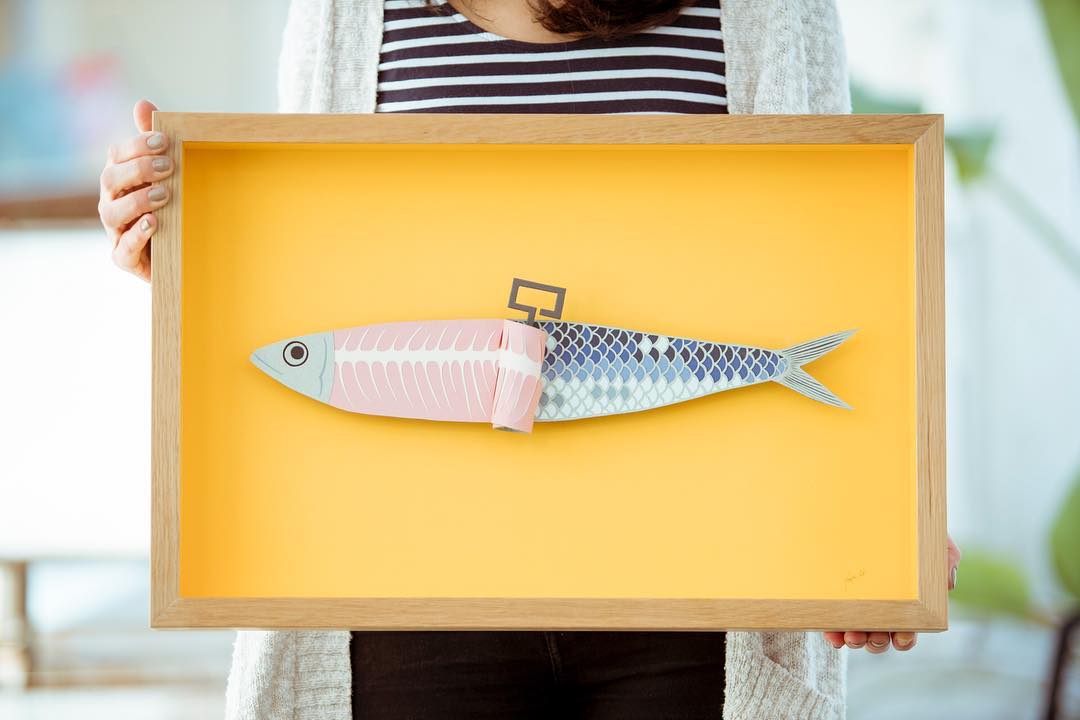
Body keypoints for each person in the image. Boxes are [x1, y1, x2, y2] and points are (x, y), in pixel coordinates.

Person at [98, 1, 963, 718]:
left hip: (701, 601)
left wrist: (881, 518)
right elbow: (313, 258)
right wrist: (182, 250)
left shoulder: (771, 12)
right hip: (405, 602)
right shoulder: (344, 12)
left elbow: (834, 260)